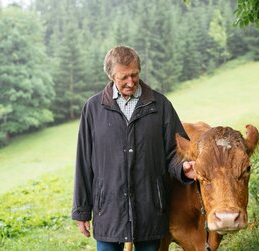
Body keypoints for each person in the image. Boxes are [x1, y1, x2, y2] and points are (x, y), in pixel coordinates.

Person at [72, 45, 196, 251]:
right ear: (111, 76)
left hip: (150, 209)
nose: (131, 82)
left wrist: (183, 167)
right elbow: (84, 162)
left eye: (134, 75)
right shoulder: (93, 109)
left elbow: (177, 151)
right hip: (108, 211)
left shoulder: (161, 105)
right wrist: (81, 211)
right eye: (123, 77)